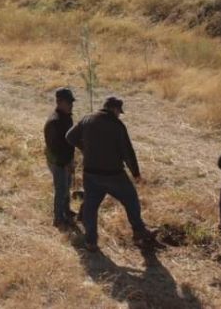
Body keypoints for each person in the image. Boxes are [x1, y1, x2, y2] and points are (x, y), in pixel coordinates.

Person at [66, 96, 159, 252]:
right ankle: (139, 233)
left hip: (90, 173)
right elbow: (128, 152)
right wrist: (136, 174)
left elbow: (69, 137)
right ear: (114, 109)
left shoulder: (87, 118)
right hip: (113, 175)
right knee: (131, 200)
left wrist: (85, 149)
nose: (119, 115)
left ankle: (91, 242)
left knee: (91, 206)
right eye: (119, 112)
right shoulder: (117, 125)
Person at [44, 87, 77, 228]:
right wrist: (66, 163)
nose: (71, 105)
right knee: (61, 189)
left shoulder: (66, 117)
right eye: (68, 102)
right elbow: (55, 148)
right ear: (59, 102)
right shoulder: (54, 122)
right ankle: (58, 219)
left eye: (72, 102)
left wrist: (71, 160)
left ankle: (66, 211)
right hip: (58, 161)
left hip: (66, 160)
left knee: (67, 186)